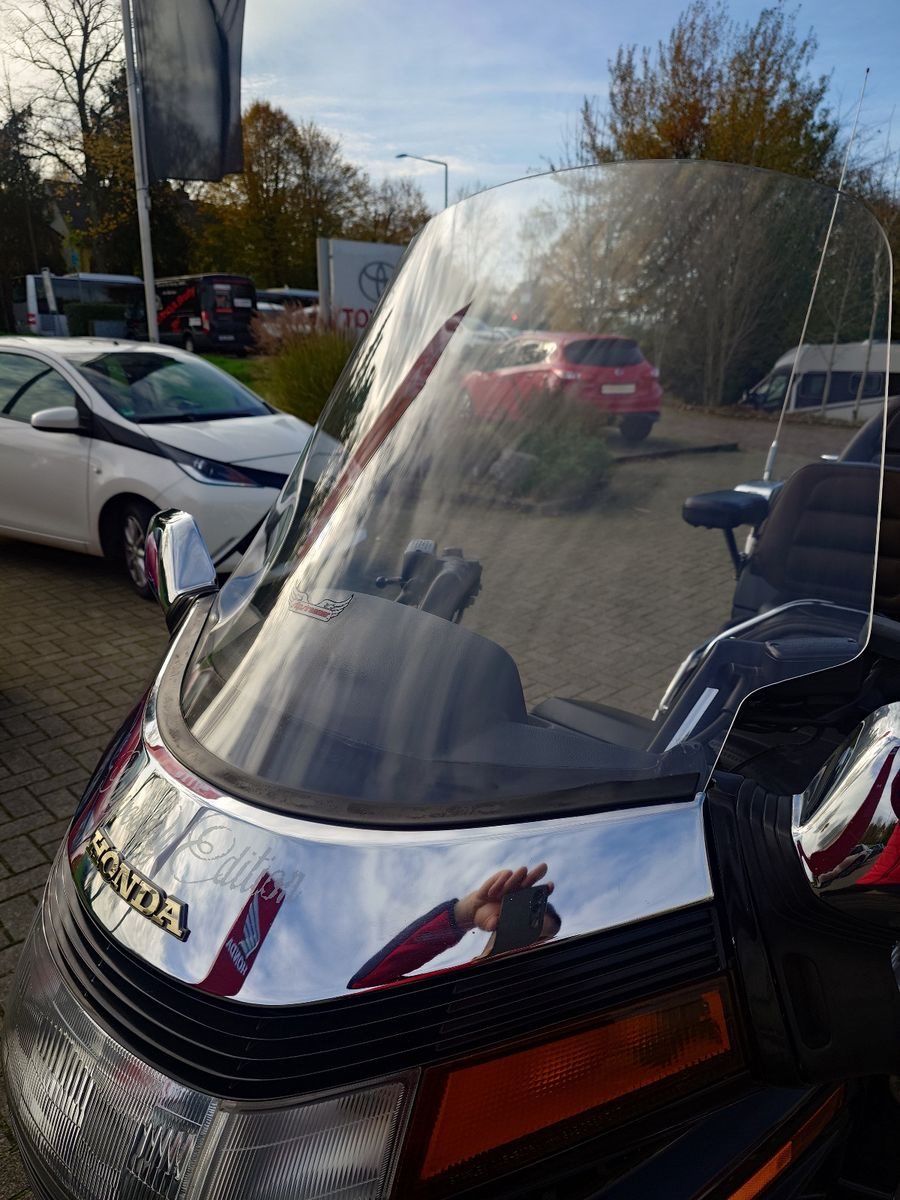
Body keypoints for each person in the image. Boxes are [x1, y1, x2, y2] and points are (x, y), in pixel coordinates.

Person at [348, 863, 560, 989]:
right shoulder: (451, 982)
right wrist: (464, 914)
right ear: (499, 928)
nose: (531, 947)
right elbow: (365, 983)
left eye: (544, 941)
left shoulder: (552, 994)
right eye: (527, 931)